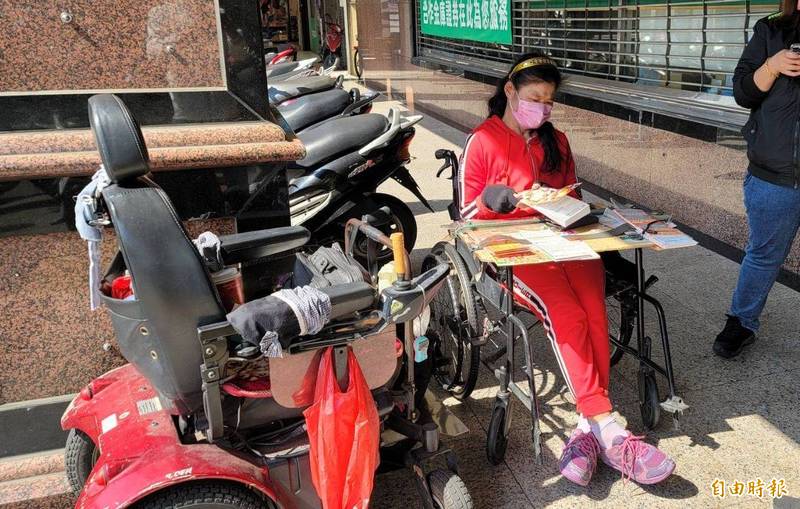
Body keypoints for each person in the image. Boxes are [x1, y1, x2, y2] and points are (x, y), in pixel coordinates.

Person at [459, 53, 675, 486]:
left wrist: (567, 205)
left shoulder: (555, 141)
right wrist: (490, 201)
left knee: (593, 308)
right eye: (534, 98)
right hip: (514, 253)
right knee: (568, 312)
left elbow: (570, 192)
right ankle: (609, 427)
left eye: (549, 102)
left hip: (564, 242)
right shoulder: (482, 140)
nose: (542, 109)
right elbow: (465, 215)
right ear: (510, 91)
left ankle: (586, 428)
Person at [715, 1, 800, 358]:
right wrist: (773, 65)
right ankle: (742, 322)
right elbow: (742, 93)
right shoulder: (771, 30)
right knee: (764, 254)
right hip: (774, 174)